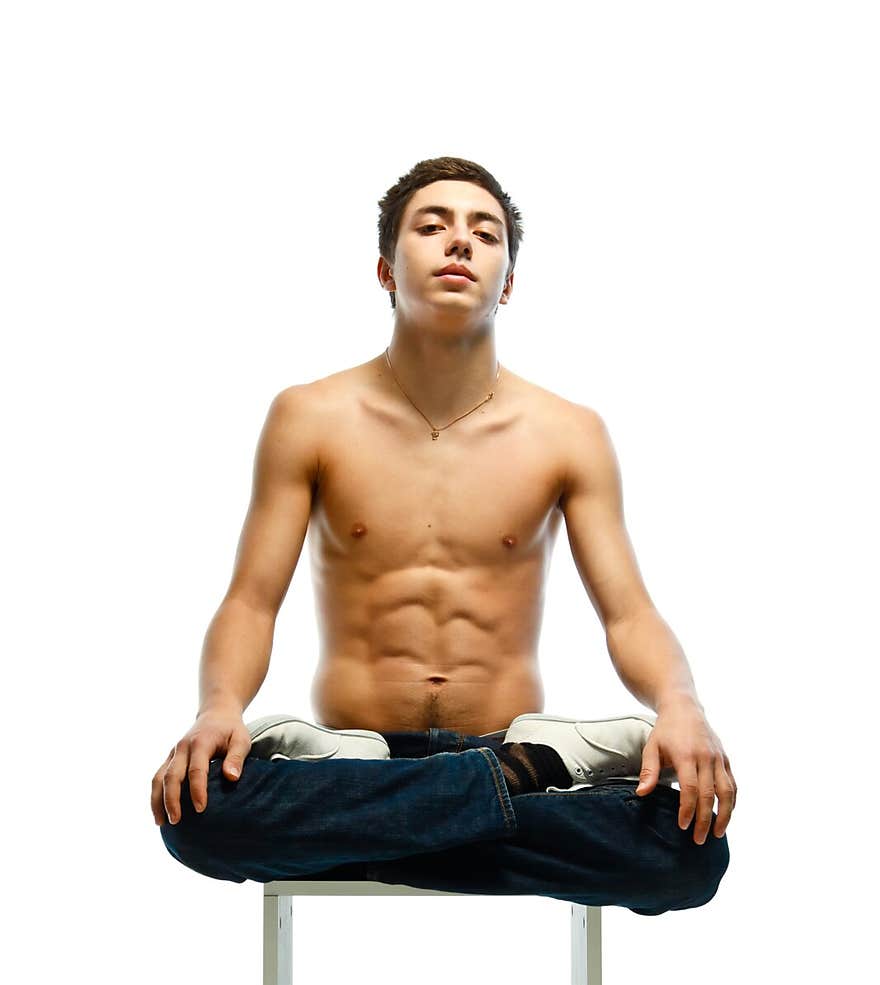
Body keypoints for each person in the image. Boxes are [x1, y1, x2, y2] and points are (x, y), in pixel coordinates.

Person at [152, 156, 735, 915]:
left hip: (490, 738)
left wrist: (682, 706)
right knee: (197, 817)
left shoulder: (568, 432)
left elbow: (629, 612)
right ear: (387, 271)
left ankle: (384, 825)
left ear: (509, 282)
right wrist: (219, 709)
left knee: (689, 852)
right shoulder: (310, 416)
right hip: (355, 754)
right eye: (432, 227)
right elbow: (251, 601)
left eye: (484, 233)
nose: (459, 243)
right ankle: (521, 784)